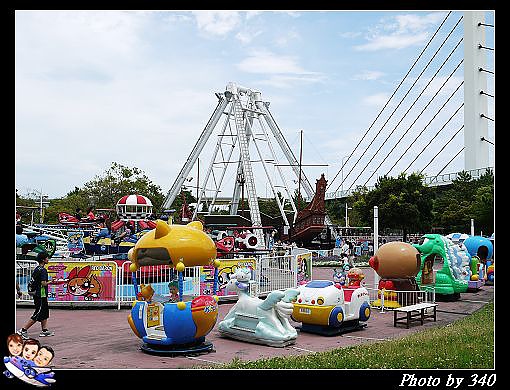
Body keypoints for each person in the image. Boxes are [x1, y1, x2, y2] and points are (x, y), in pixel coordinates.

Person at [17, 252, 54, 339]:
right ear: (43, 260)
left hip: (39, 294)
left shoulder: (37, 269)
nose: (48, 259)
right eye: (47, 258)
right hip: (40, 294)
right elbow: (43, 283)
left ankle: (44, 330)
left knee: (44, 311)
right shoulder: (43, 270)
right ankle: (23, 330)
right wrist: (51, 281)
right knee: (38, 312)